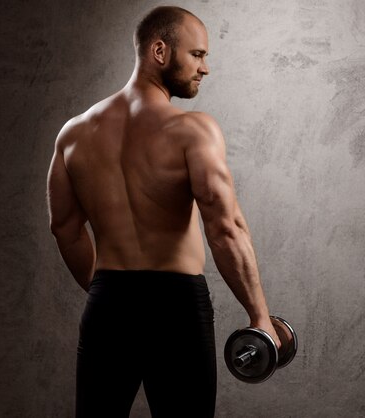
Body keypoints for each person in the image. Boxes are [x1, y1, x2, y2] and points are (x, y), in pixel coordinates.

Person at [46, 5, 280, 417]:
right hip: (176, 309)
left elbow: (64, 229)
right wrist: (260, 316)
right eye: (198, 54)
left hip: (107, 305)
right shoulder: (193, 131)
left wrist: (110, 294)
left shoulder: (74, 133)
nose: (205, 68)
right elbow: (225, 229)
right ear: (159, 50)